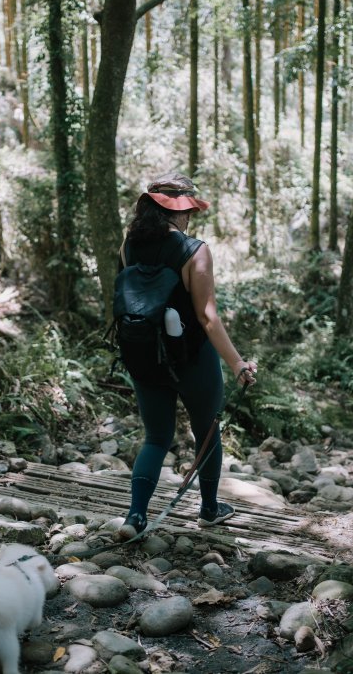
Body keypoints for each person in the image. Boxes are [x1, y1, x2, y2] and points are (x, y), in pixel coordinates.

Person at [117, 172, 257, 541]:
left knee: (155, 438)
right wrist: (237, 363)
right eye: (189, 209)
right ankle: (209, 510)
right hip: (192, 357)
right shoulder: (195, 250)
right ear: (179, 211)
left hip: (146, 355)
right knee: (206, 432)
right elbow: (207, 317)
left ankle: (135, 516)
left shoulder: (127, 245)